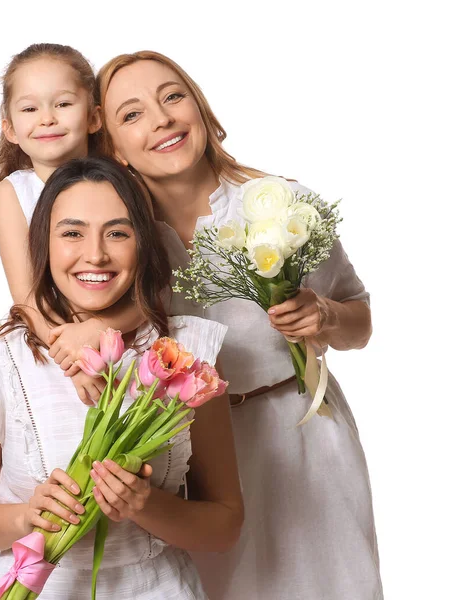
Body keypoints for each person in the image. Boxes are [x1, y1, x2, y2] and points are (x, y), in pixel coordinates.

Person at [98, 51, 383, 600]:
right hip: (186, 460)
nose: (161, 119)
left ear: (200, 108)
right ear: (111, 147)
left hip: (301, 438)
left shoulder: (281, 204)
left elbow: (360, 321)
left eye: (173, 96)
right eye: (131, 115)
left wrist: (324, 317)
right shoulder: (117, 238)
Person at [0, 157, 243, 599]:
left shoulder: (184, 356)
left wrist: (145, 505)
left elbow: (225, 525)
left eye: (118, 232)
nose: (96, 254)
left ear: (143, 243)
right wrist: (26, 517)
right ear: (42, 243)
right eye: (72, 233)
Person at [0, 42, 142, 406]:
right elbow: (27, 300)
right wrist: (75, 359)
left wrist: (99, 328)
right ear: (10, 128)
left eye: (63, 104)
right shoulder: (14, 193)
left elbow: (154, 287)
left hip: (130, 333)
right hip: (53, 345)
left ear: (93, 117)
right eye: (29, 108)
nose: (47, 118)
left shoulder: (126, 184)